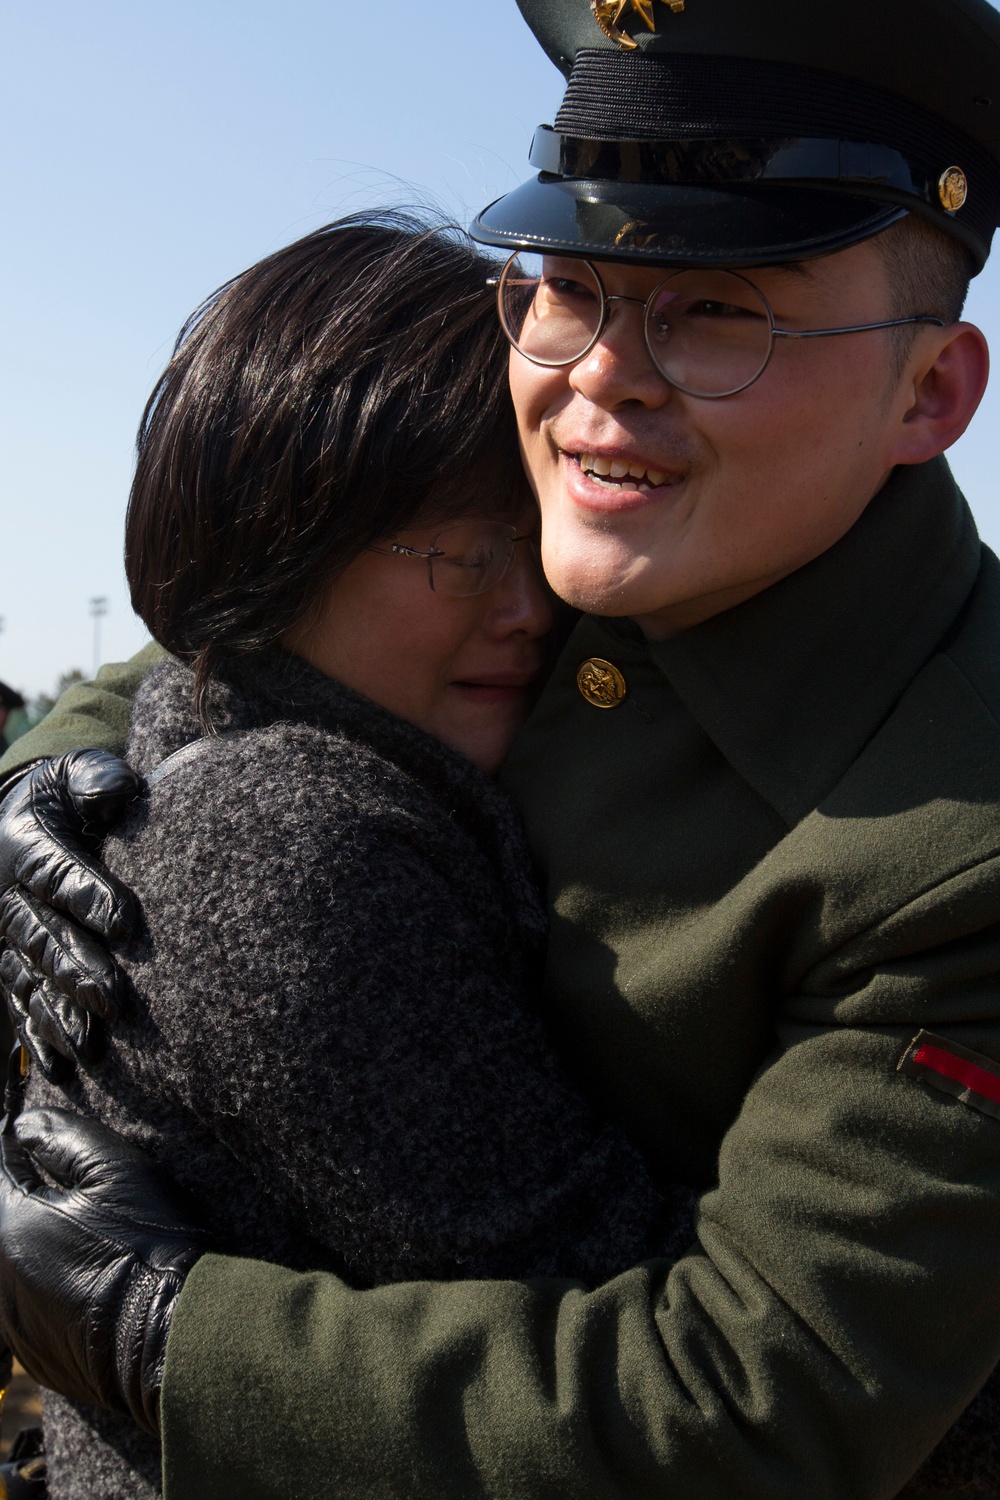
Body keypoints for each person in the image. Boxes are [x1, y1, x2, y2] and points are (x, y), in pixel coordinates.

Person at [2, 0, 1000, 1495]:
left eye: (719, 309)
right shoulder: (584, 545)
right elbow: (244, 619)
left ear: (929, 391)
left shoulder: (956, 837)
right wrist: (47, 783)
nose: (605, 375)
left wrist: (167, 1339)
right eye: (569, 288)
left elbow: (756, 1413)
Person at [6, 212, 703, 1500]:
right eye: (460, 548)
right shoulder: (287, 847)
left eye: (534, 532)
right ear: (280, 544)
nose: (527, 607)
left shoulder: (290, 760)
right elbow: (620, 1336)